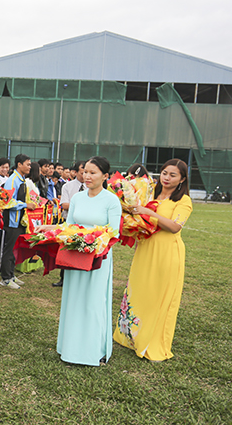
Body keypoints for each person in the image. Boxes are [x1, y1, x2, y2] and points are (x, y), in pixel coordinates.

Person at [41, 156, 121, 366]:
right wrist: (49, 229)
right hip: (76, 255)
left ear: (105, 176)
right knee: (74, 301)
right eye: (85, 171)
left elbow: (114, 233)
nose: (87, 176)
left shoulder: (111, 200)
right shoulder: (77, 198)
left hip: (98, 258)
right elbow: (69, 226)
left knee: (94, 302)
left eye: (93, 172)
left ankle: (94, 351)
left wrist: (93, 240)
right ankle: (70, 348)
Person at [113, 159, 193, 361]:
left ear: (182, 179)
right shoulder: (149, 192)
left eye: (173, 175)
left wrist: (149, 213)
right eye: (164, 173)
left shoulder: (183, 201)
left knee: (159, 297)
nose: (166, 178)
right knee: (139, 290)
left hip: (166, 253)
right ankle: (130, 336)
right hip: (146, 248)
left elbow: (175, 227)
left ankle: (152, 341)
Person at [0, 154, 37, 289]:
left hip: (20, 221)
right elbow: (6, 201)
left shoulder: (22, 179)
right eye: (27, 164)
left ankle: (11, 274)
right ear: (19, 164)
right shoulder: (12, 180)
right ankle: (5, 278)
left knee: (15, 249)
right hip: (12, 221)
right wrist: (25, 205)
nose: (29, 167)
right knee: (9, 249)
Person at [54, 161, 85, 287]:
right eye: (83, 173)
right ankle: (63, 278)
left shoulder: (92, 188)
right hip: (69, 221)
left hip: (85, 223)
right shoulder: (68, 186)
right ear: (75, 172)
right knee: (67, 250)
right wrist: (83, 206)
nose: (86, 176)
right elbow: (64, 205)